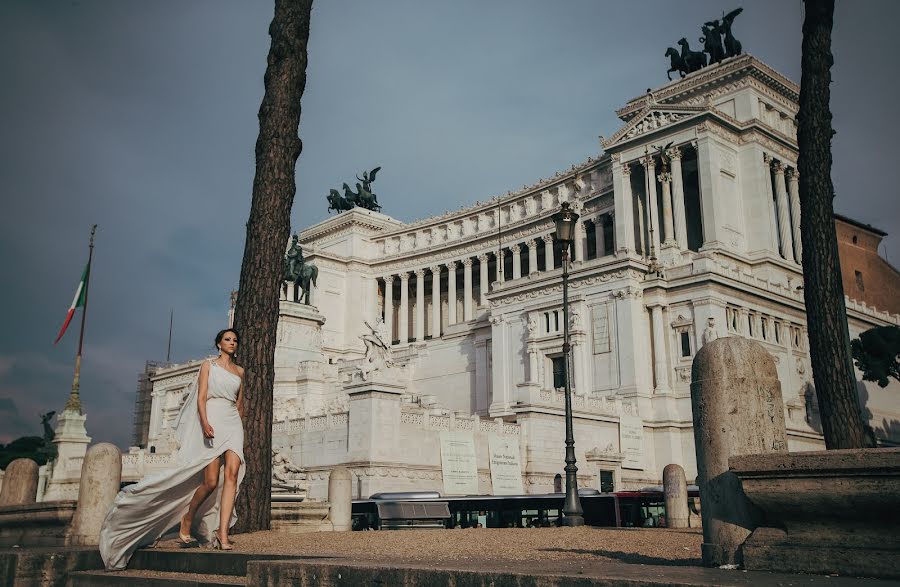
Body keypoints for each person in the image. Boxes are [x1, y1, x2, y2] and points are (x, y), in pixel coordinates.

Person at [99, 329, 245, 570]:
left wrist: (240, 431)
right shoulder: (208, 365)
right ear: (219, 344)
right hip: (212, 420)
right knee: (210, 482)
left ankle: (223, 533)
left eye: (235, 340)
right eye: (227, 340)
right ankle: (187, 518)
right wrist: (205, 422)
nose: (232, 343)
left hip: (232, 423)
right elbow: (201, 398)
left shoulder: (240, 372)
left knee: (231, 476)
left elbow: (240, 404)